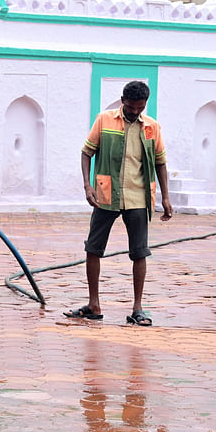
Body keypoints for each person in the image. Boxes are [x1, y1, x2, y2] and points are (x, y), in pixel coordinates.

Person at [64, 80, 174, 326]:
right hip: (105, 195)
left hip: (138, 197)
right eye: (132, 107)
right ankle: (94, 304)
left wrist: (166, 197)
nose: (135, 112)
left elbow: (160, 162)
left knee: (139, 252)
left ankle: (137, 308)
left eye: (140, 107)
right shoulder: (104, 120)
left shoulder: (152, 127)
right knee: (93, 248)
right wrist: (87, 185)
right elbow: (86, 152)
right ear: (123, 100)